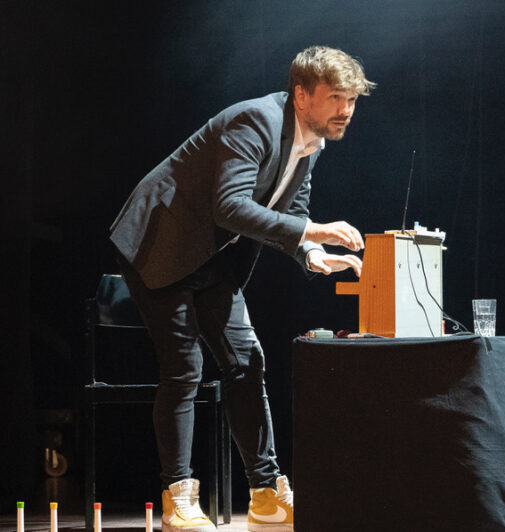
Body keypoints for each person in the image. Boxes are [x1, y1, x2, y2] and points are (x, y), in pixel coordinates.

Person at [110, 45, 373, 531]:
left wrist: (311, 253)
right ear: (301, 94)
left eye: (353, 99)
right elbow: (229, 207)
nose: (346, 110)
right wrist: (315, 231)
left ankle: (266, 496)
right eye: (337, 97)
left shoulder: (311, 142)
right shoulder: (253, 121)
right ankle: (179, 500)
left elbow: (291, 213)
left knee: (246, 362)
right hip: (161, 242)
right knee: (184, 368)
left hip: (214, 257)